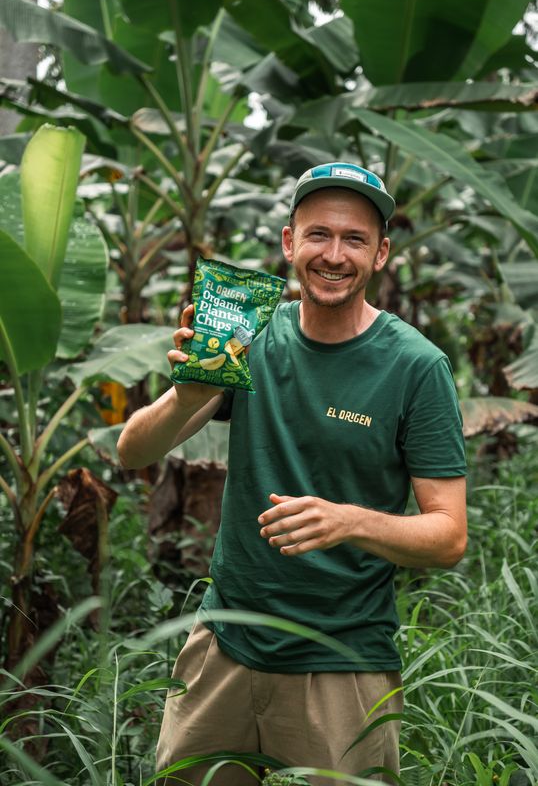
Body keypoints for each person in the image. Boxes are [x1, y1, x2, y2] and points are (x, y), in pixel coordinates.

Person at [117, 162, 467, 786]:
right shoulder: (249, 336)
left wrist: (348, 522)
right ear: (289, 243)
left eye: (354, 240)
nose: (334, 255)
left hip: (341, 660)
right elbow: (133, 452)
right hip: (226, 643)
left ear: (380, 253)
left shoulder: (417, 367)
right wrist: (185, 393)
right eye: (318, 235)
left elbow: (449, 535)